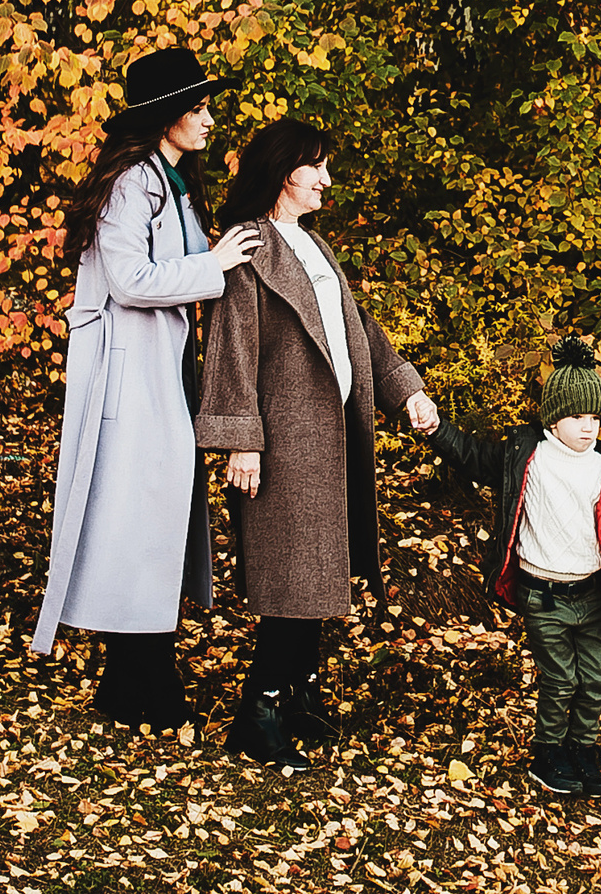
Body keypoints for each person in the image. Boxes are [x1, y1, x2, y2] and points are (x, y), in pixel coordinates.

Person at [29, 48, 262, 731]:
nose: (209, 120)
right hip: (127, 376)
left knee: (151, 520)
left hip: (161, 368)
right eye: (197, 109)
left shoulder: (172, 181)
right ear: (165, 115)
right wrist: (211, 263)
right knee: (136, 520)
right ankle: (146, 681)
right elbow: (131, 280)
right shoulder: (135, 183)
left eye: (208, 107)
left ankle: (130, 679)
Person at [196, 117, 441, 767]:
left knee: (317, 574)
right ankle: (259, 709)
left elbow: (359, 327)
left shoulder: (315, 246)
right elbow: (230, 344)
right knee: (291, 579)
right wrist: (240, 439)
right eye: (318, 168)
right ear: (285, 171)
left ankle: (299, 696)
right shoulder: (249, 244)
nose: (327, 180)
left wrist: (403, 390)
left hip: (333, 437)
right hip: (284, 441)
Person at [420, 336, 601, 797]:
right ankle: (549, 753)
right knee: (561, 678)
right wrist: (436, 430)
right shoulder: (525, 455)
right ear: (553, 417)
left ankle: (583, 752)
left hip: (592, 595)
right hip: (544, 594)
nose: (588, 427)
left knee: (596, 679)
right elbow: (473, 456)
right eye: (577, 417)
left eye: (595, 418)